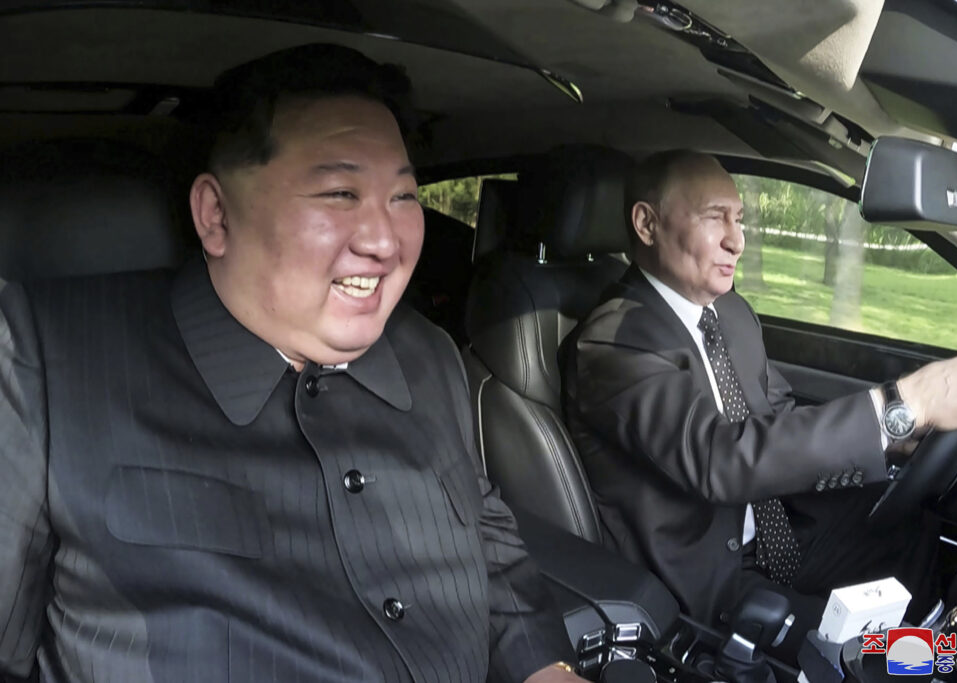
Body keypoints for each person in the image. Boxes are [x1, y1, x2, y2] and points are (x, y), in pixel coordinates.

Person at [0, 44, 583, 683]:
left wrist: (545, 668)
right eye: (339, 193)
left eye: (403, 197)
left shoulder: (428, 354)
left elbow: (483, 534)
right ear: (216, 215)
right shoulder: (43, 361)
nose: (385, 242)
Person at [562, 150, 957, 658]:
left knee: (914, 529)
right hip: (712, 583)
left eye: (738, 219)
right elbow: (722, 460)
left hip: (784, 530)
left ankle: (942, 651)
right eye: (714, 217)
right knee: (876, 655)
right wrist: (903, 402)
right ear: (647, 224)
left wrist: (902, 438)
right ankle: (924, 660)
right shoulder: (615, 340)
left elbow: (778, 417)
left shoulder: (730, 313)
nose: (736, 240)